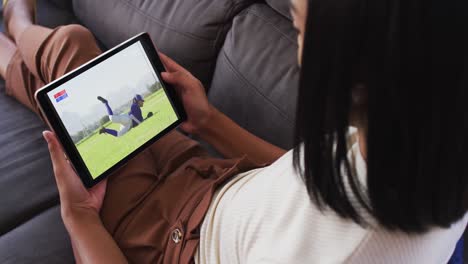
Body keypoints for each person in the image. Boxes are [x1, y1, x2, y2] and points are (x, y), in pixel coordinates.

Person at [0, 0, 467, 263]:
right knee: (82, 74)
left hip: (168, 238)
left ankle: (15, 27)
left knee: (71, 50)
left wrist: (79, 217)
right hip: (212, 180)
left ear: (352, 71)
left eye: (299, 30)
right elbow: (303, 181)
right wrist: (210, 123)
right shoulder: (424, 145)